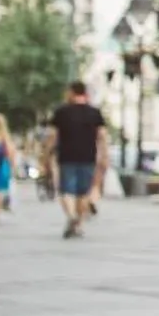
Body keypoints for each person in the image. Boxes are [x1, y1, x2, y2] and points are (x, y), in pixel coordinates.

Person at [50, 82, 107, 239]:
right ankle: (79, 224)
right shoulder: (94, 113)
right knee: (83, 192)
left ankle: (71, 216)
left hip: (66, 156)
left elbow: (53, 136)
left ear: (71, 92)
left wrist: (47, 153)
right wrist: (104, 156)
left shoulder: (61, 112)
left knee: (65, 191)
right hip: (88, 157)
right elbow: (102, 136)